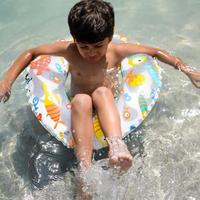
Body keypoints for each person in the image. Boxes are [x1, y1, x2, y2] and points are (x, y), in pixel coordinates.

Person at [0, 0, 200, 172]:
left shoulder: (116, 52)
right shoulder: (69, 52)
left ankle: (117, 146)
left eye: (98, 46)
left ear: (109, 38)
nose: (91, 52)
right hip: (80, 106)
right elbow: (32, 53)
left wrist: (187, 69)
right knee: (81, 99)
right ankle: (84, 167)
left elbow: (155, 52)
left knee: (102, 92)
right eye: (84, 46)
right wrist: (6, 81)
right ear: (75, 40)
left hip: (107, 104)